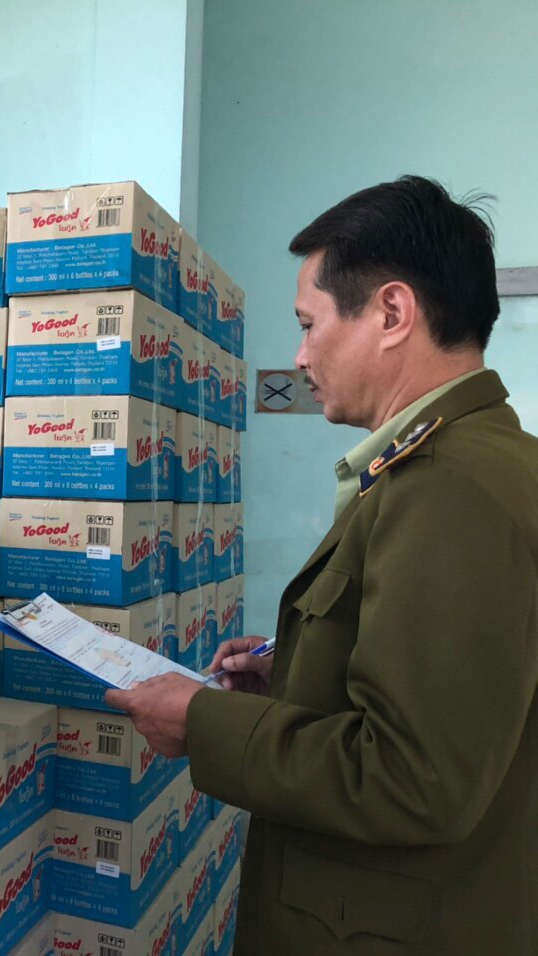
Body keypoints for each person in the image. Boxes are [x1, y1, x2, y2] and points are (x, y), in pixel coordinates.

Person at [105, 176, 538, 953]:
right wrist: (301, 674)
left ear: (392, 313)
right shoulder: (483, 462)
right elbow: (457, 702)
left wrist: (203, 721)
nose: (301, 356)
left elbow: (413, 779)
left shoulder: (448, 487)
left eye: (309, 324)